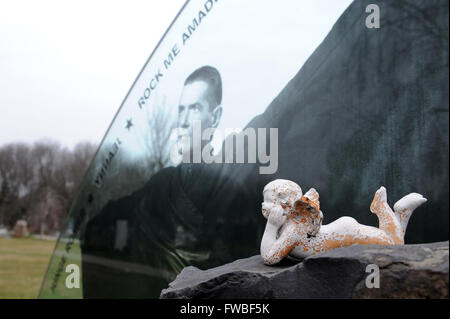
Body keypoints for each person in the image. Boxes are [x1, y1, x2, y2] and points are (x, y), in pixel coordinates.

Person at [81, 66, 264, 298]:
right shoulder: (162, 182)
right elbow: (112, 214)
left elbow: (236, 278)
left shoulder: (233, 193)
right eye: (181, 110)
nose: (184, 122)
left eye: (195, 109)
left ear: (215, 117)